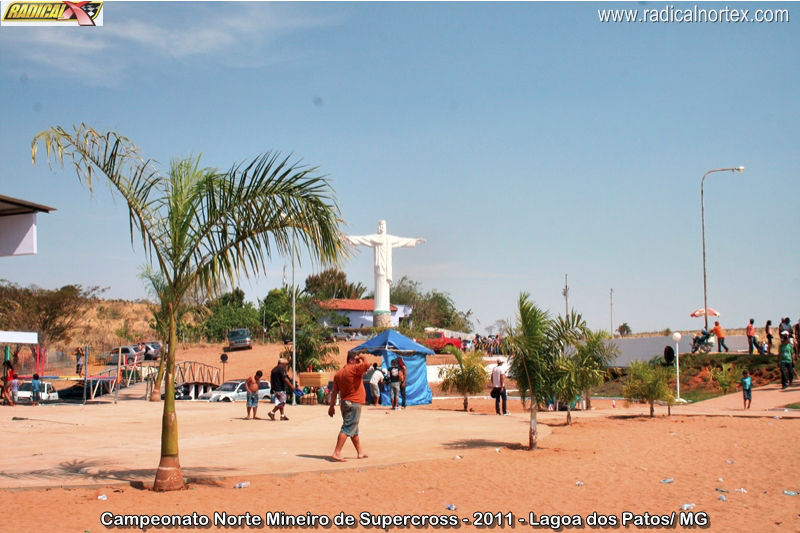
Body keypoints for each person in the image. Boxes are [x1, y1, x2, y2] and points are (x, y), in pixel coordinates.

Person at [327, 352, 371, 462]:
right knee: (347, 428)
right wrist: (362, 357)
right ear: (352, 360)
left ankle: (359, 452)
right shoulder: (353, 369)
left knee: (354, 429)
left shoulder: (339, 374)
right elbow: (367, 365)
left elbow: (334, 392)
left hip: (345, 403)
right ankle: (337, 452)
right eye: (356, 361)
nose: (358, 363)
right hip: (354, 403)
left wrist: (331, 407)